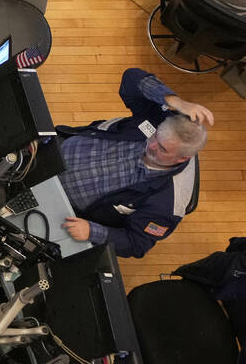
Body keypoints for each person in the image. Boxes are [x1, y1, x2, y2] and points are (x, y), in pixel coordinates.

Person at [56, 67, 213, 259]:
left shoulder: (167, 203)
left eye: (162, 149)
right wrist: (175, 101)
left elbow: (136, 243)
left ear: (182, 158)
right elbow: (131, 78)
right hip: (56, 147)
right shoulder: (158, 119)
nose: (151, 146)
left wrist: (92, 232)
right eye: (156, 136)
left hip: (63, 202)